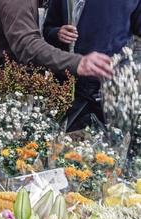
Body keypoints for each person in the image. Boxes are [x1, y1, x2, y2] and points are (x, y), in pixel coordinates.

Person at [43, 0, 141, 131]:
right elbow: (47, 29)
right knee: (61, 144)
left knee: (114, 145)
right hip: (70, 86)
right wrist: (57, 33)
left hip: (112, 87)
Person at [0, 0, 113, 81]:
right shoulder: (17, 3)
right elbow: (28, 45)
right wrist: (77, 62)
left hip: (1, 84)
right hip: (8, 92)